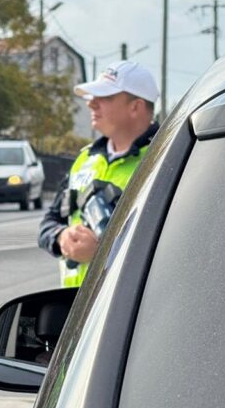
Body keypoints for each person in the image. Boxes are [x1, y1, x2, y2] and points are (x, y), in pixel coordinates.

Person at [38, 60, 159, 287]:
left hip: (126, 311)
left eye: (105, 97)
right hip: (77, 309)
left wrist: (102, 253)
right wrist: (61, 237)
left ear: (136, 106)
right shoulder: (84, 160)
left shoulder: (162, 160)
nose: (92, 104)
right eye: (92, 98)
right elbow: (49, 222)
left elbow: (166, 243)